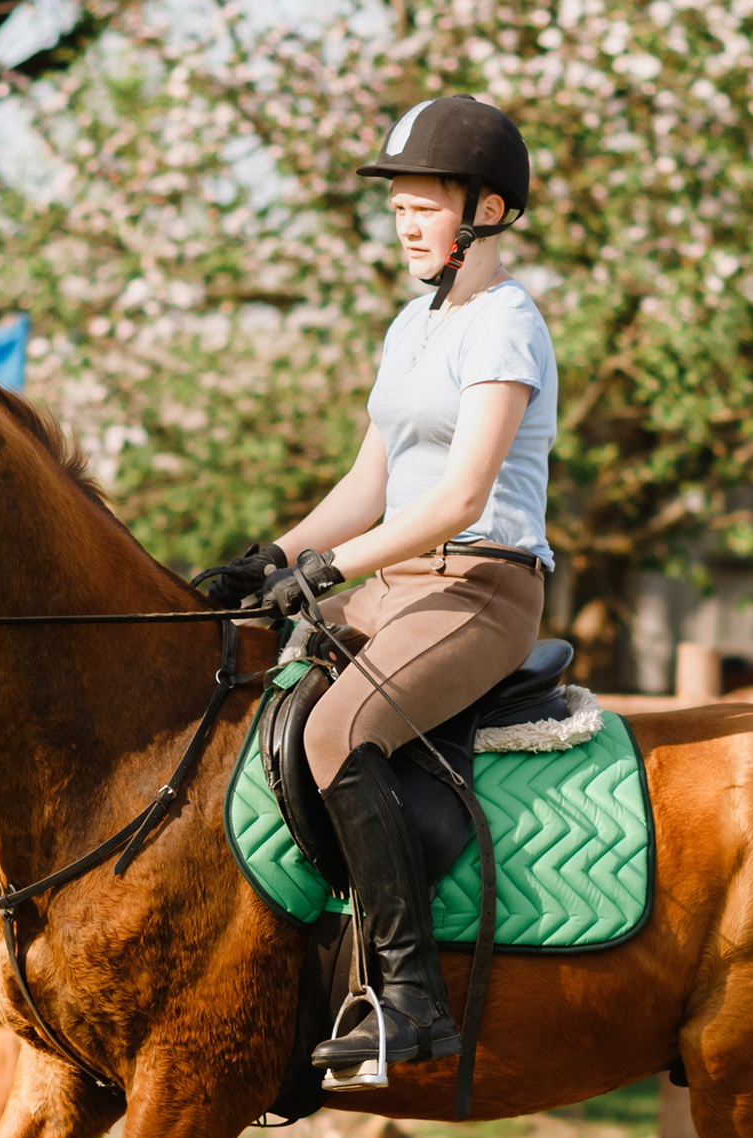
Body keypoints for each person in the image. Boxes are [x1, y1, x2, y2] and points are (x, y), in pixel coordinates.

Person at [197, 95, 558, 1076]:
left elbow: (457, 496)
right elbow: (369, 485)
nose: (403, 222)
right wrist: (268, 557)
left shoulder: (505, 328)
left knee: (335, 732)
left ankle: (408, 1001)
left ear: (486, 209)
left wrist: (328, 570)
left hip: (478, 587)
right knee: (235, 691)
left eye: (423, 204)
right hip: (389, 578)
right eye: (396, 205)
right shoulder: (411, 324)